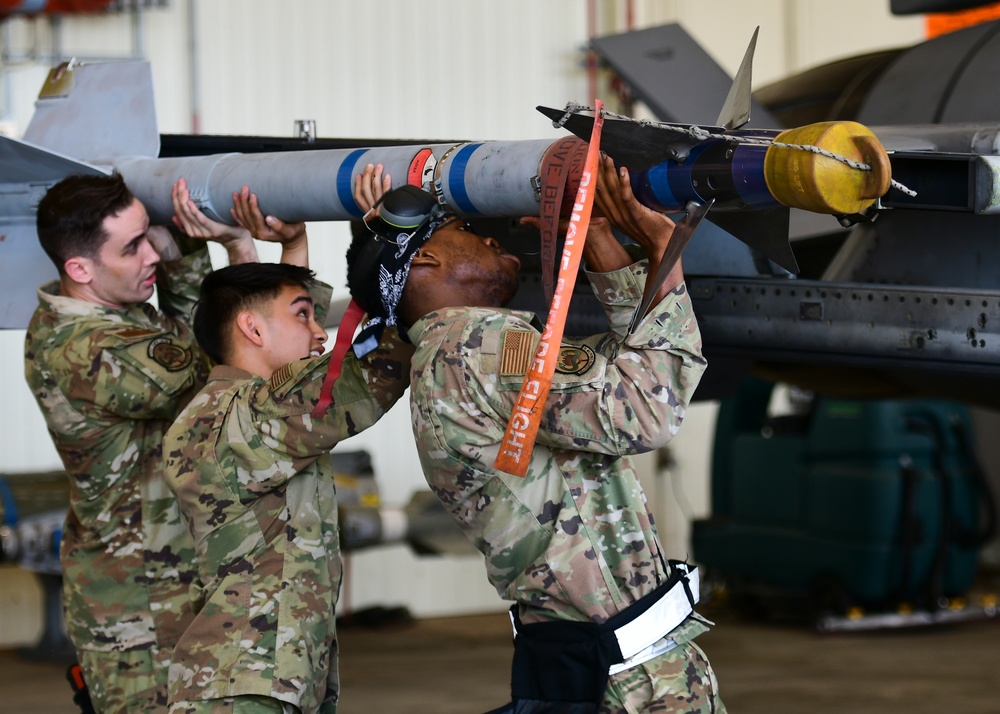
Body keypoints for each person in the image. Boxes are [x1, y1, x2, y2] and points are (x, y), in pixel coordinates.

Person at [344, 157, 725, 714]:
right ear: (425, 259)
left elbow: (621, 368)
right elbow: (648, 405)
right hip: (630, 684)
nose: (494, 240)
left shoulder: (448, 356)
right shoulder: (480, 344)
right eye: (468, 232)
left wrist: (597, 237)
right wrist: (663, 246)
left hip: (595, 668)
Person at [24, 172, 307, 714]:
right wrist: (235, 252)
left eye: (147, 233)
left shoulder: (117, 308)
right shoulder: (85, 348)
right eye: (132, 246)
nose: (149, 253)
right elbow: (232, 367)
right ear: (79, 269)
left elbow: (188, 329)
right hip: (139, 609)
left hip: (177, 578)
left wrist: (183, 247)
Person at [161, 168, 411, 714]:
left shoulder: (225, 408)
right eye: (305, 316)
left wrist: (293, 245)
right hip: (248, 684)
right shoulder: (250, 417)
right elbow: (374, 370)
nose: (320, 330)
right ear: (251, 330)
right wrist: (384, 240)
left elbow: (287, 350)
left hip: (256, 675)